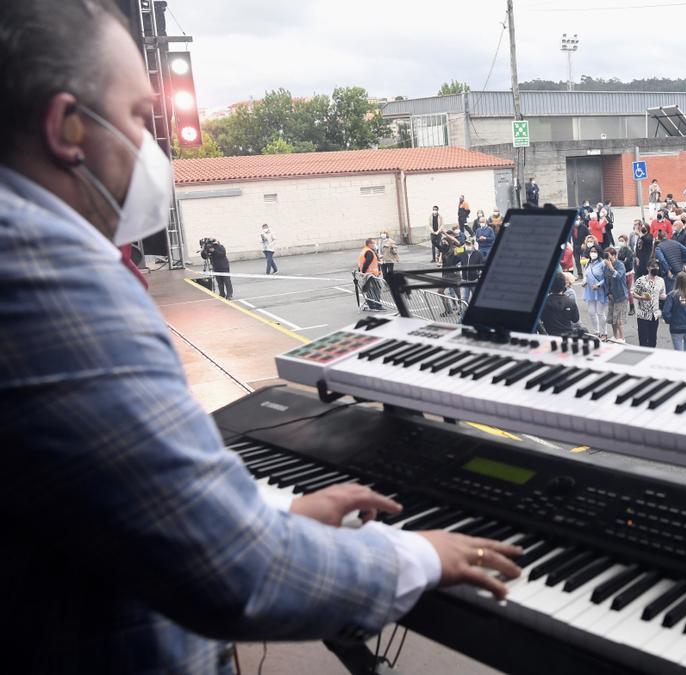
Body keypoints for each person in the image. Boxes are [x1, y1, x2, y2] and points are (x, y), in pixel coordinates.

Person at [0, 3, 523, 671]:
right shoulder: (50, 282)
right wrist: (420, 553)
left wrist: (282, 515)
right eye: (136, 118)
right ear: (67, 127)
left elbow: (112, 504)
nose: (149, 150)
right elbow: (233, 570)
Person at [631, 262, 666, 348]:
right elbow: (633, 293)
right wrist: (641, 297)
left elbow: (661, 295)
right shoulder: (641, 280)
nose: (656, 268)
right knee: (643, 339)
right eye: (653, 266)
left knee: (653, 339)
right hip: (643, 314)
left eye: (657, 266)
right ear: (648, 268)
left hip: (655, 314)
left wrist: (670, 297)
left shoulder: (661, 280)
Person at [540, 272, 580, 337]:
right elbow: (575, 319)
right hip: (567, 336)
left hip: (550, 336)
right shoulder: (570, 302)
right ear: (564, 284)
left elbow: (541, 319)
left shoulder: (543, 303)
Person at [582, 246, 609, 339]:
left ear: (598, 252)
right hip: (590, 291)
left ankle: (604, 333)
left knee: (600, 313)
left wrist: (598, 285)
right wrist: (584, 281)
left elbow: (606, 278)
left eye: (595, 251)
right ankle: (596, 332)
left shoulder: (603, 263)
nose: (593, 253)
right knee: (591, 312)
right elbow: (586, 275)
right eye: (591, 251)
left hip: (600, 291)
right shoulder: (588, 263)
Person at [654, 230, 686, 295]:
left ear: (658, 238)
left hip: (670, 273)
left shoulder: (658, 247)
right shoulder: (675, 242)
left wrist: (668, 270)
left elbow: (662, 260)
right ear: (666, 235)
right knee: (682, 292)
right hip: (680, 270)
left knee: (671, 294)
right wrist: (685, 263)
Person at [603, 246, 628, 342]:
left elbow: (618, 276)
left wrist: (611, 267)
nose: (607, 258)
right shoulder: (605, 266)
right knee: (612, 318)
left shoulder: (620, 264)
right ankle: (615, 336)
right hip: (611, 295)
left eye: (609, 255)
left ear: (614, 255)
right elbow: (605, 280)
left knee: (619, 318)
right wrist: (608, 293)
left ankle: (622, 338)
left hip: (621, 295)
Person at [358, 238, 384, 311]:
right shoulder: (369, 252)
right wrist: (363, 272)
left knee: (369, 290)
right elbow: (366, 263)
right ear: (369, 244)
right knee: (376, 290)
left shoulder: (364, 250)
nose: (375, 245)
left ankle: (371, 305)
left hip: (367, 274)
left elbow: (362, 263)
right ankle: (377, 306)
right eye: (373, 243)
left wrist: (362, 272)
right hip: (371, 274)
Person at [459, 238, 484, 304]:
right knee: (464, 300)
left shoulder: (478, 254)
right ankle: (463, 313)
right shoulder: (462, 251)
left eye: (469, 244)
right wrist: (462, 247)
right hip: (464, 280)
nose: (467, 245)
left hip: (474, 281)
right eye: (466, 244)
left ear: (473, 245)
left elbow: (482, 266)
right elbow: (454, 251)